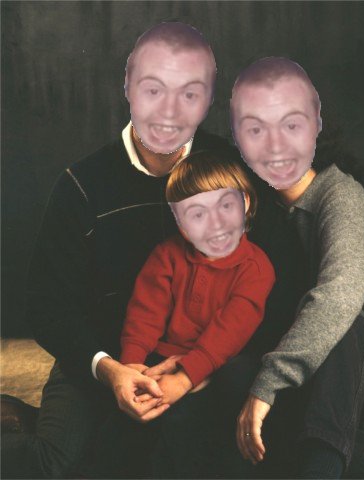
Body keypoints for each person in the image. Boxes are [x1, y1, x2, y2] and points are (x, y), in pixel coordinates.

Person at [1, 22, 228, 479]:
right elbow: (46, 305)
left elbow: (269, 280)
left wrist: (200, 365)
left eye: (189, 93)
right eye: (153, 89)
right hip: (101, 356)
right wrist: (107, 369)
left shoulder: (230, 170)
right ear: (127, 87)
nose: (168, 111)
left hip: (200, 359)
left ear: (208, 100)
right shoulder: (82, 184)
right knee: (54, 465)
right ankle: (17, 424)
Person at [228, 57, 364, 478]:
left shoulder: (340, 199)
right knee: (234, 376)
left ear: (315, 128)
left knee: (338, 330)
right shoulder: (262, 211)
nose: (274, 145)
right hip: (328, 388)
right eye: (256, 130)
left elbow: (337, 300)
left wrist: (268, 384)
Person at [100, 150, 274, 478]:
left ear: (246, 204)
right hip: (160, 358)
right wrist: (133, 364)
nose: (215, 223)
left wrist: (184, 378)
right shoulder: (167, 255)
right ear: (181, 225)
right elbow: (144, 313)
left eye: (226, 206)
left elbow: (230, 331)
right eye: (197, 214)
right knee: (122, 429)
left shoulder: (255, 267)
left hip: (219, 364)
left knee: (186, 429)